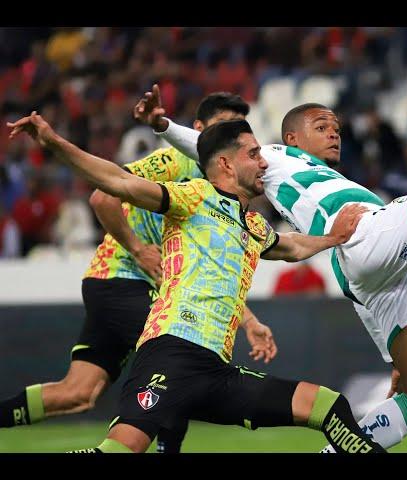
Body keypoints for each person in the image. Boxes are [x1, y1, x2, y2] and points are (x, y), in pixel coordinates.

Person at [142, 85, 407, 452]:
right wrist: (164, 126)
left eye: (337, 129)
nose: (334, 134)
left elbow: (361, 291)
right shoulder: (277, 158)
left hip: (371, 274)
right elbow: (211, 147)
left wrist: (396, 358)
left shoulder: (336, 181)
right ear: (292, 137)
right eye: (322, 126)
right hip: (364, 235)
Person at [8, 113, 382, 454]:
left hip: (217, 373)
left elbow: (290, 246)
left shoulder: (252, 225)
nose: (265, 162)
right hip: (171, 354)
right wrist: (53, 141)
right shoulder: (192, 198)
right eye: (254, 154)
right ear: (225, 163)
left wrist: (334, 237)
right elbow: (116, 181)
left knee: (328, 406)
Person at [0, 94, 276, 455]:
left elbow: (211, 278)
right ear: (197, 130)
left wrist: (249, 321)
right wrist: (138, 249)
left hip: (126, 286)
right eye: (223, 126)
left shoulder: (223, 191)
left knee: (78, 394)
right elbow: (102, 197)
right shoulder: (174, 160)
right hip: (122, 278)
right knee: (177, 363)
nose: (231, 135)